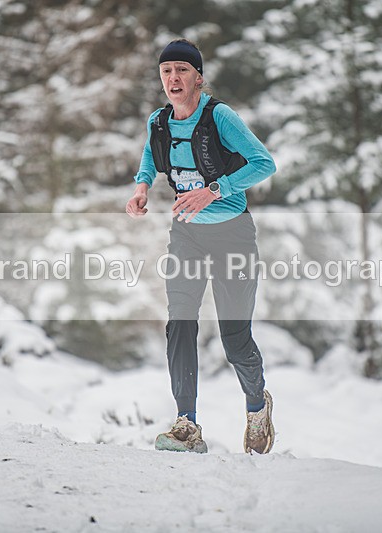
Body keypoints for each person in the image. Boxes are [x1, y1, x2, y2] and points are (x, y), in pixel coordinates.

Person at [126, 39, 276, 455]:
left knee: (234, 338)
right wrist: (141, 189)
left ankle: (256, 406)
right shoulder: (158, 121)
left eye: (182, 70)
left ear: (198, 77)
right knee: (180, 323)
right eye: (167, 71)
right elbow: (149, 163)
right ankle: (186, 425)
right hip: (187, 235)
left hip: (232, 234)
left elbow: (264, 163)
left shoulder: (219, 117)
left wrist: (215, 190)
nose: (173, 78)